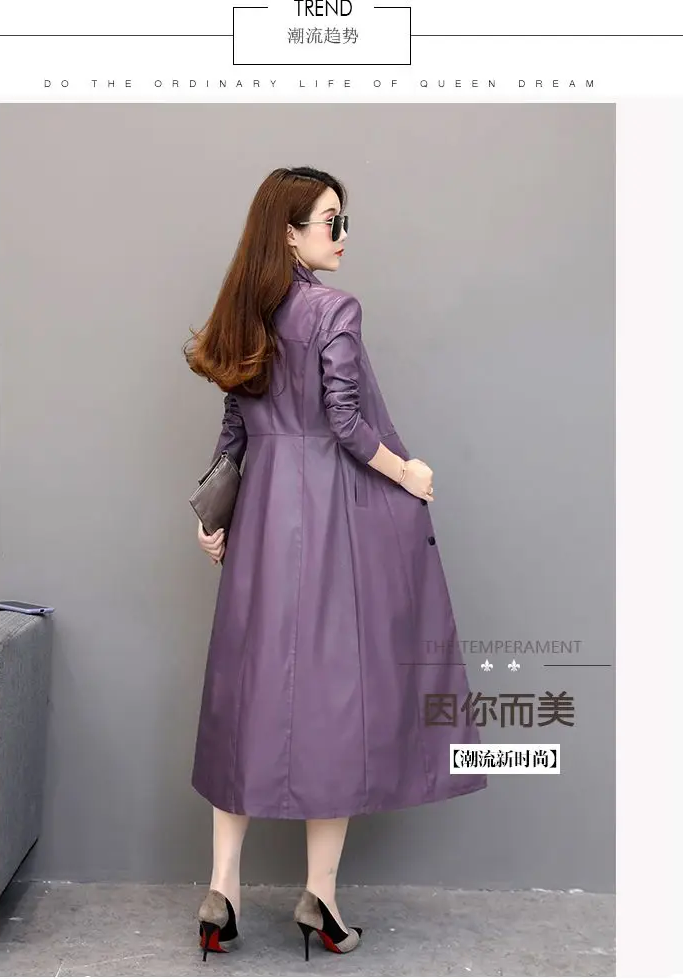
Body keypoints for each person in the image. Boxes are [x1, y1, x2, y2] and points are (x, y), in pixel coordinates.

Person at [183, 166, 487, 962]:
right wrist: (409, 473)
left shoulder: (245, 313)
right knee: (335, 703)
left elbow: (233, 434)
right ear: (290, 233)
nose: (343, 235)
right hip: (325, 518)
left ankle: (222, 890)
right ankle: (319, 896)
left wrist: (214, 519)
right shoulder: (333, 310)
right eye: (331, 220)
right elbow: (347, 423)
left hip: (261, 520)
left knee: (246, 697)